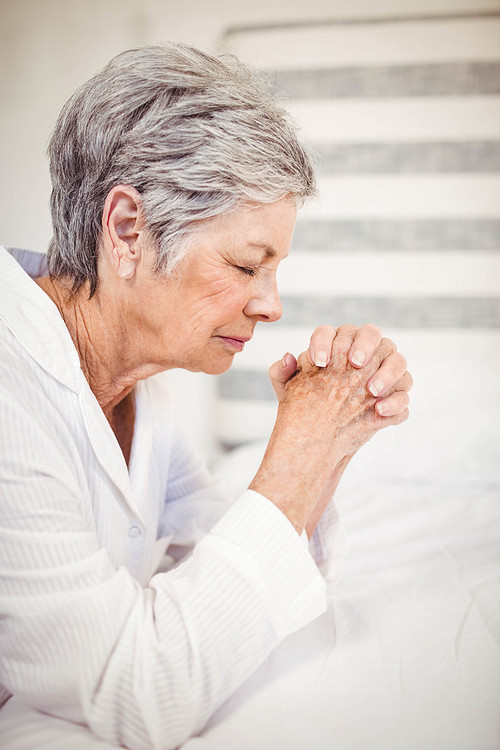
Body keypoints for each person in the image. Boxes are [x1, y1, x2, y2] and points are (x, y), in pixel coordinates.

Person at [0, 43, 411, 750]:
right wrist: (303, 448)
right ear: (128, 230)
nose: (272, 304)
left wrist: (331, 439)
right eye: (247, 265)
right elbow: (136, 692)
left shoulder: (144, 379)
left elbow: (229, 567)